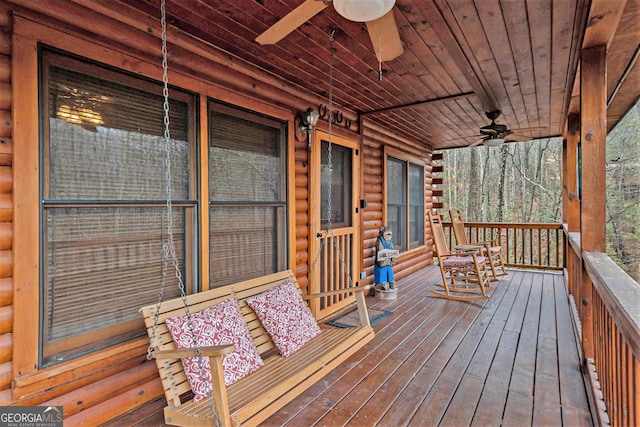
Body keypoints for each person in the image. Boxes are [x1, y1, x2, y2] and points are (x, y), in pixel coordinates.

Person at [373, 226, 397, 295]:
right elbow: (380, 252)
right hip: (382, 263)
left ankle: (390, 282)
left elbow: (392, 250)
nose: (389, 236)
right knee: (382, 275)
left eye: (390, 234)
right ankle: (382, 285)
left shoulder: (390, 242)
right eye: (387, 234)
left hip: (388, 263)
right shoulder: (379, 241)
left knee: (390, 274)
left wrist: (392, 260)